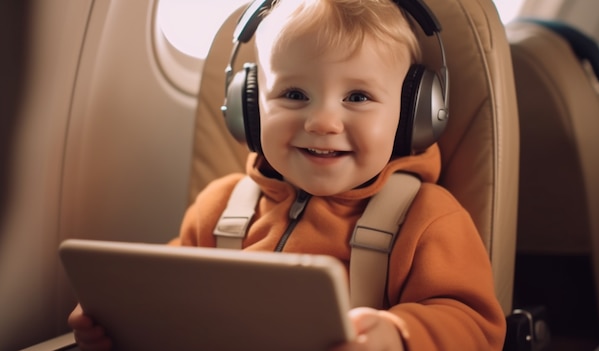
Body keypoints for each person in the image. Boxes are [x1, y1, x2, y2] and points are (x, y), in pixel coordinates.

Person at [68, 0, 507, 350]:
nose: (322, 122)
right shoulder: (220, 208)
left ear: (413, 115)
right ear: (251, 108)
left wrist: (397, 334)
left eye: (357, 96)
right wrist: (118, 316)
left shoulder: (427, 220)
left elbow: (475, 324)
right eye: (294, 94)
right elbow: (168, 290)